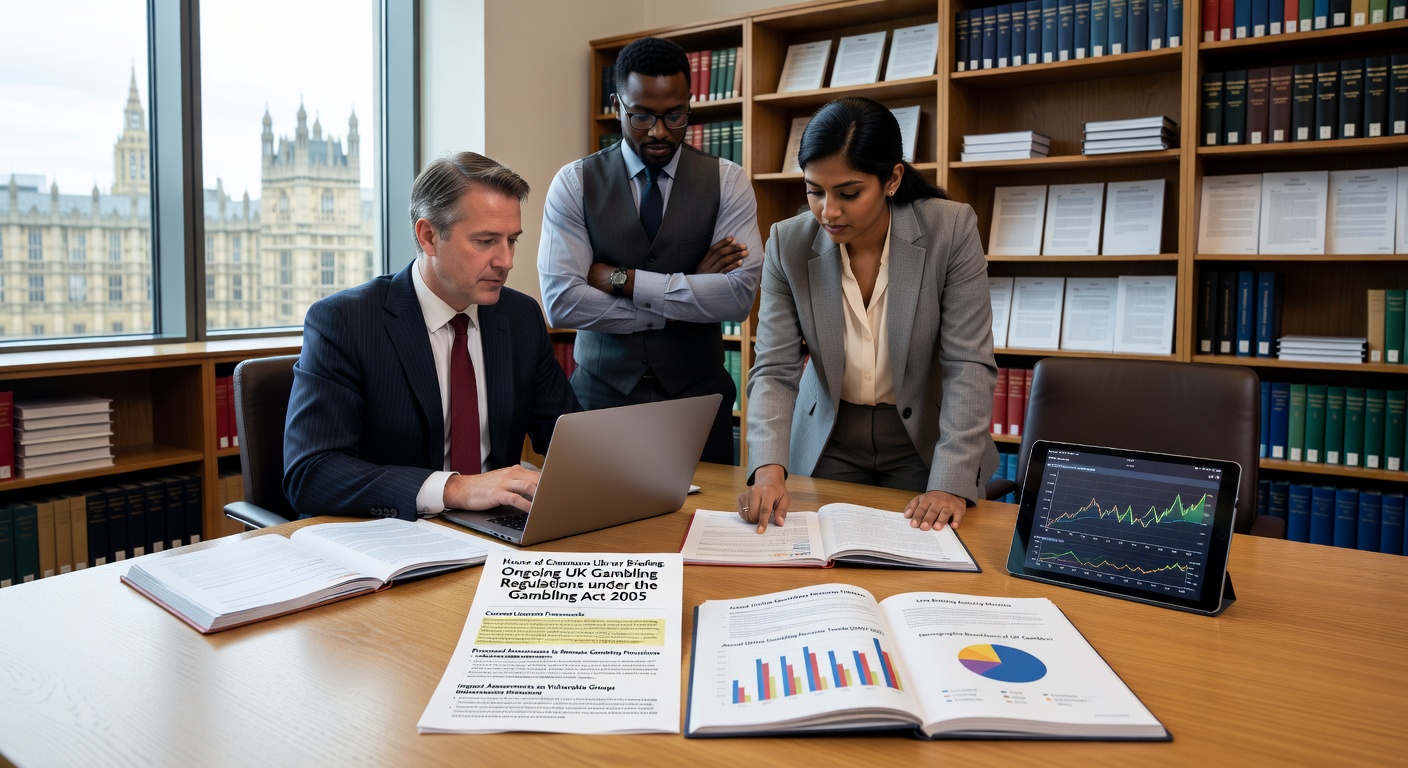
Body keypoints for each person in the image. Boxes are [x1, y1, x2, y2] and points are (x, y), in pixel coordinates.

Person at [739, 97, 999, 534]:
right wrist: (767, 467)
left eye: (849, 193)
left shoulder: (950, 229)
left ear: (892, 178)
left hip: (923, 441)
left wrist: (950, 482)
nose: (828, 210)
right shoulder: (788, 242)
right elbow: (774, 370)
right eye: (814, 190)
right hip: (828, 436)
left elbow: (968, 364)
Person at [284, 152, 579, 520]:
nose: (506, 261)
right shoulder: (345, 321)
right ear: (429, 237)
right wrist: (454, 488)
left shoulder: (520, 316)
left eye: (512, 240)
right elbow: (311, 474)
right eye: (486, 241)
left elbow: (567, 440)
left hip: (497, 533)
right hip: (393, 539)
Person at [538, 36, 762, 465]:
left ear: (690, 103)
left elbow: (737, 299)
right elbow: (563, 302)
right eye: (641, 115)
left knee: (702, 526)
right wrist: (689, 293)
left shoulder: (728, 181)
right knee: (597, 527)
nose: (659, 131)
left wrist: (623, 280)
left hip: (698, 400)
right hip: (599, 397)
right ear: (617, 104)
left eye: (674, 115)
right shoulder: (573, 183)